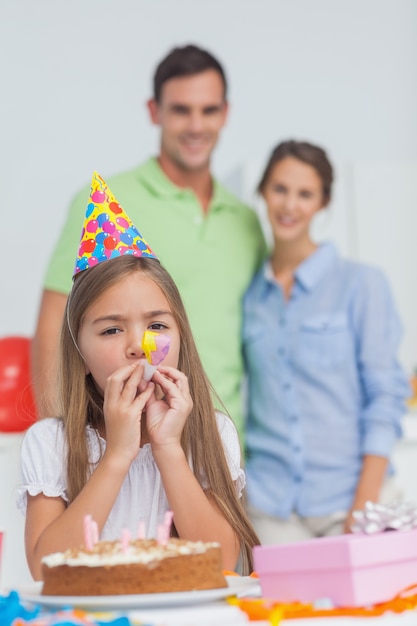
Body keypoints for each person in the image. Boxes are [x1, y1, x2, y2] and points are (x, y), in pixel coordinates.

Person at [17, 173, 260, 581]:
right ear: (79, 350)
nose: (137, 346)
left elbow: (220, 564)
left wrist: (167, 447)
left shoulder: (212, 435)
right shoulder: (51, 443)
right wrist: (117, 456)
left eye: (157, 326)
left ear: (182, 333)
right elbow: (45, 571)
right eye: (111, 330)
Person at [32, 44, 267, 442]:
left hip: (223, 443)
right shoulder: (104, 200)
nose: (196, 125)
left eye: (208, 110)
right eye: (181, 110)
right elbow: (55, 327)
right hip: (125, 444)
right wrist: (66, 447)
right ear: (154, 111)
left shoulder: (246, 223)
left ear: (225, 114)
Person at [242, 140, 410, 544]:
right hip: (271, 507)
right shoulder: (250, 296)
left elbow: (385, 397)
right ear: (263, 191)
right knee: (277, 607)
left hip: (351, 502)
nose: (290, 205)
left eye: (306, 194)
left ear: (323, 203)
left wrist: (363, 508)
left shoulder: (361, 284)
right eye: (280, 189)